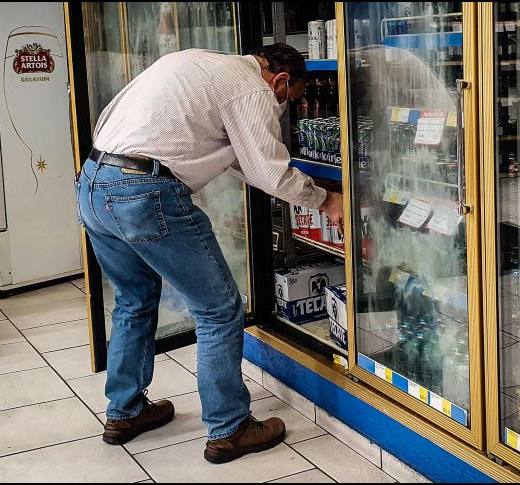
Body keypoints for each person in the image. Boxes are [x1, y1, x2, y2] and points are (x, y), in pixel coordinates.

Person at [75, 43, 343, 464]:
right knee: (218, 309)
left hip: (94, 180)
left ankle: (125, 412)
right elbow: (268, 171)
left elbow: (238, 157)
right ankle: (230, 428)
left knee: (134, 299)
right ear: (281, 81)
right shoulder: (252, 89)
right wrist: (326, 200)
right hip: (145, 193)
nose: (283, 110)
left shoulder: (197, 61)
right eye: (288, 102)